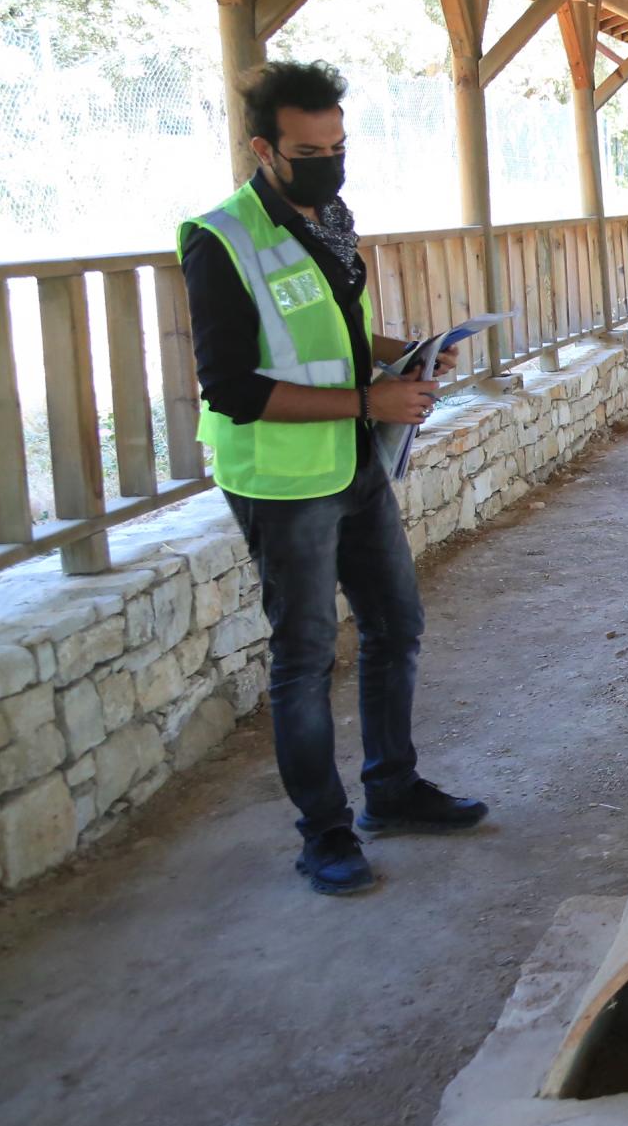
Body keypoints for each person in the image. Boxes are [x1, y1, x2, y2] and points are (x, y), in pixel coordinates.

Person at [179, 60, 486, 896]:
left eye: (340, 143)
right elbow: (233, 386)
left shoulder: (332, 217)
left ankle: (392, 787)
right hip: (281, 482)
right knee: (305, 655)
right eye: (312, 148)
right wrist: (368, 395)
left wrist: (399, 352)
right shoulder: (221, 238)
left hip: (352, 461)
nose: (331, 159)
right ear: (263, 148)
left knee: (396, 623)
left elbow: (329, 330)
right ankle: (324, 832)